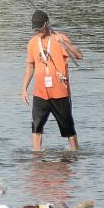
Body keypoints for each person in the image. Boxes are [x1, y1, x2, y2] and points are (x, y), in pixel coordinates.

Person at [21, 9, 82, 151]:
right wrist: (24, 88)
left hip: (59, 93)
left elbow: (79, 56)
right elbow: (30, 66)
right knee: (36, 126)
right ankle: (37, 154)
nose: (37, 31)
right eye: (35, 29)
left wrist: (65, 45)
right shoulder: (32, 43)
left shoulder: (59, 39)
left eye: (39, 28)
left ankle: (74, 152)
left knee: (68, 127)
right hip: (40, 93)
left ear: (47, 24)